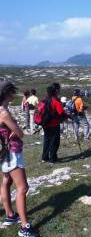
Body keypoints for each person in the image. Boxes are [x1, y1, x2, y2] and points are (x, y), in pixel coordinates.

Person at [0, 81, 38, 237]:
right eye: (12, 92)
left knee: (6, 182)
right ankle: (24, 227)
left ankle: (10, 215)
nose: (14, 95)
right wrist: (16, 128)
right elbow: (20, 133)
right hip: (12, 152)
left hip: (3, 153)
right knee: (22, 188)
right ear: (7, 94)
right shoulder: (4, 112)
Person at [42, 84, 66, 164]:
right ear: (56, 90)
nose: (60, 90)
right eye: (59, 89)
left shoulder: (45, 99)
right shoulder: (56, 101)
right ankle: (53, 159)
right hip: (54, 124)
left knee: (47, 140)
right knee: (54, 141)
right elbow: (61, 113)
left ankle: (45, 157)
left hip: (45, 123)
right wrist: (68, 116)